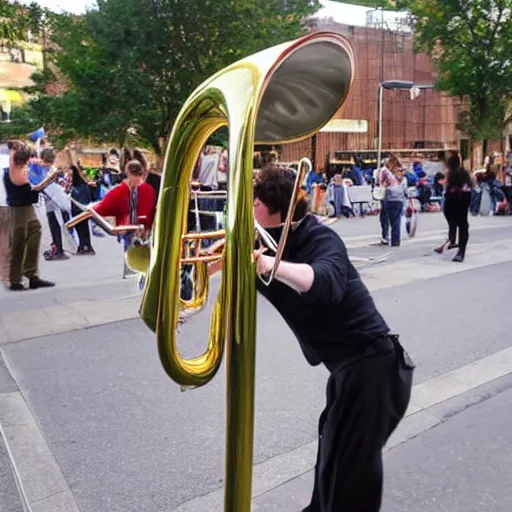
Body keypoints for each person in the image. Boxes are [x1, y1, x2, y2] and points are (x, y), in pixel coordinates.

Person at [251, 165, 414, 512]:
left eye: (257, 202)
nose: (250, 207)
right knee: (331, 470)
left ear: (277, 207)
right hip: (348, 372)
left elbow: (324, 283)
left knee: (348, 481)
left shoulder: (320, 239)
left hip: (374, 369)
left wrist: (269, 265)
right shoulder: (267, 241)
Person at [3, 140, 56, 291]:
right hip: (18, 208)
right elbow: (31, 192)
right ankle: (15, 279)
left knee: (34, 231)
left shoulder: (16, 170)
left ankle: (31, 274)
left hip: (25, 207)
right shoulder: (14, 172)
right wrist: (48, 180)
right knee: (18, 241)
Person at [434, 153, 472, 262]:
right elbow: (468, 189)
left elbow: (452, 190)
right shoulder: (462, 173)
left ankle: (458, 249)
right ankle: (459, 249)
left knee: (458, 224)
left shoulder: (455, 174)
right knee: (461, 225)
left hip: (456, 201)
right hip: (461, 201)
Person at [70, 165, 96, 255]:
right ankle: (86, 245)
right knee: (83, 226)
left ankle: (84, 245)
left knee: (79, 225)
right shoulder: (83, 183)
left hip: (78, 206)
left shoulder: (77, 185)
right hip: (84, 205)